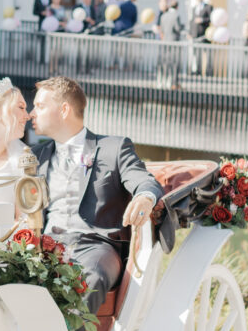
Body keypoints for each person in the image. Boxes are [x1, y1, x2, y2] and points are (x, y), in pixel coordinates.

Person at [29, 77, 163, 316]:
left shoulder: (114, 148)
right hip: (45, 244)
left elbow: (145, 181)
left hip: (96, 247)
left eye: (39, 106)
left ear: (64, 109)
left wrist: (144, 197)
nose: (31, 113)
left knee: (92, 276)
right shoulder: (34, 157)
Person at [159, 0, 183, 89]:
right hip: (174, 41)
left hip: (165, 41)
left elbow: (161, 29)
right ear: (177, 7)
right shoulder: (176, 16)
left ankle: (164, 81)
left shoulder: (164, 15)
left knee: (165, 62)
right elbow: (177, 29)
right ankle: (174, 82)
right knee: (175, 63)